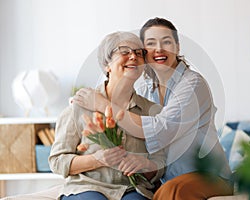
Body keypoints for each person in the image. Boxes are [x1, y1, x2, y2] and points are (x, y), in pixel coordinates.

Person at [73, 18, 233, 200]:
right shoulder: (144, 89)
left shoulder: (193, 84)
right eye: (151, 43)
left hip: (206, 175)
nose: (159, 49)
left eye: (166, 42)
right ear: (143, 52)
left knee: (173, 191)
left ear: (177, 47)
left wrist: (102, 105)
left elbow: (160, 129)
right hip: (162, 178)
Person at [49, 31, 165, 200]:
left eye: (139, 53)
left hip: (133, 189)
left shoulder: (152, 111)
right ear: (107, 65)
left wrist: (146, 165)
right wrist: (97, 159)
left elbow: (161, 163)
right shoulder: (80, 105)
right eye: (124, 51)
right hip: (86, 187)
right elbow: (57, 161)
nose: (133, 56)